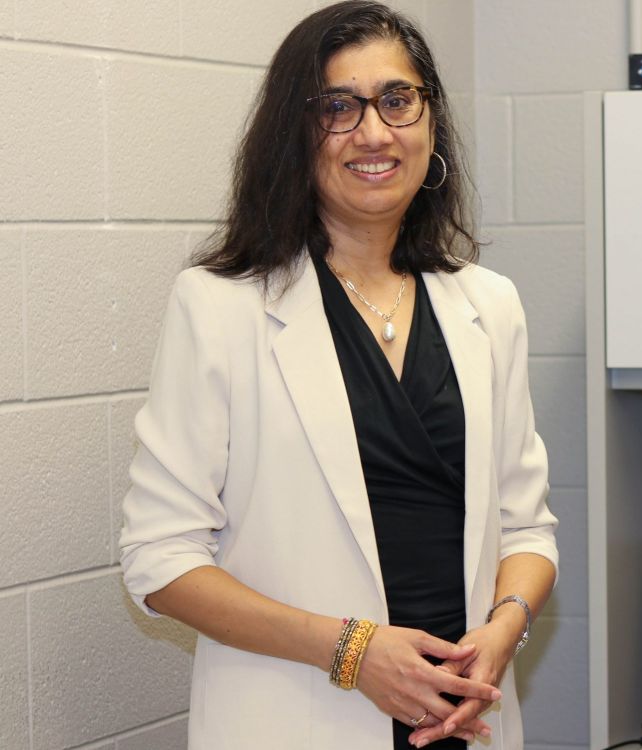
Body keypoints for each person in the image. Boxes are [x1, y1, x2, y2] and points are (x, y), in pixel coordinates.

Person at [117, 3, 558, 748]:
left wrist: (504, 630)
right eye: (337, 107)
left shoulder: (489, 304)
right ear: (295, 133)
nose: (375, 132)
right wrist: (354, 652)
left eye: (397, 99)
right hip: (302, 716)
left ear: (429, 123)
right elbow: (159, 560)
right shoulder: (222, 307)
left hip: (463, 716)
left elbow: (527, 527)